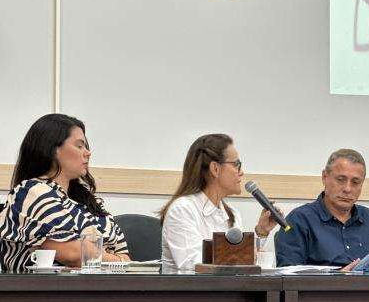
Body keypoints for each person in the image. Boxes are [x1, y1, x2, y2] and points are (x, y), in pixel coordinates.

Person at [0, 114, 129, 272]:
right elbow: (73, 254)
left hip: (102, 291)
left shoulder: (89, 201)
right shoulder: (31, 192)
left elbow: (126, 259)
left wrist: (95, 254)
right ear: (53, 150)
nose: (88, 153)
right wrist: (110, 258)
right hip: (46, 294)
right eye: (80, 146)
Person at [274, 149, 369, 273]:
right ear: (324, 177)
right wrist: (337, 278)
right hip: (323, 295)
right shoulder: (300, 219)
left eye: (355, 182)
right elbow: (288, 277)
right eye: (341, 180)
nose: (347, 189)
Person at [160, 133, 279, 272]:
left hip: (227, 291)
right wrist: (238, 257)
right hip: (191, 292)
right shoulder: (182, 209)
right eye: (237, 165)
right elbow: (192, 265)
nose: (241, 172)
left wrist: (261, 232)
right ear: (215, 169)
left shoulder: (232, 214)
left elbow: (242, 264)